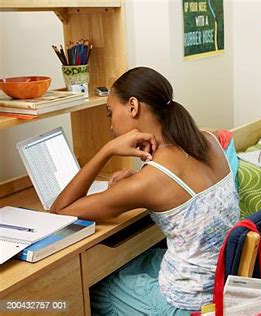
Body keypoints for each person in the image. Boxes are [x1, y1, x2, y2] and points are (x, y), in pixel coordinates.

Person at [50, 66, 240, 315]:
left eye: (110, 113)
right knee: (137, 260)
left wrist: (107, 150)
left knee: (93, 288)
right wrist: (140, 177)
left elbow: (60, 208)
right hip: (222, 281)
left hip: (189, 303)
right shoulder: (209, 139)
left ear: (132, 106)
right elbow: (180, 185)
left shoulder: (150, 181)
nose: (110, 126)